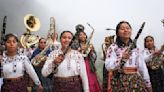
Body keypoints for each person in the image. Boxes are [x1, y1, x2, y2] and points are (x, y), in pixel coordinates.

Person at [105, 21, 152, 92]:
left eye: (128, 28)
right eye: (122, 28)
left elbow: (142, 67)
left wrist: (148, 84)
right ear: (117, 33)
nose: (126, 30)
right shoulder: (113, 47)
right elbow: (108, 66)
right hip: (119, 81)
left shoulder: (137, 47)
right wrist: (120, 58)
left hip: (135, 81)